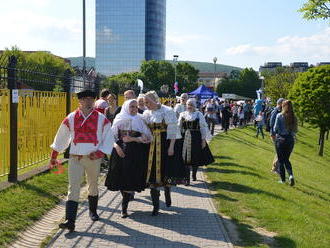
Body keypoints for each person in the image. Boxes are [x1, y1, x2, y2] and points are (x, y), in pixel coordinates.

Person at [50, 89, 114, 232]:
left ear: (94, 100)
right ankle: (70, 221)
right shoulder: (71, 117)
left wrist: (100, 152)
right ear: (80, 101)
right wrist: (54, 155)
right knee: (73, 188)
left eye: (91, 99)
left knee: (92, 185)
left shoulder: (102, 119)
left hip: (93, 158)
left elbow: (108, 137)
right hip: (75, 158)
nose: (88, 102)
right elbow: (62, 136)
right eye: (85, 99)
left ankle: (93, 211)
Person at [105, 99, 151, 218]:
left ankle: (124, 208)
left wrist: (134, 139)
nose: (134, 109)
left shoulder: (141, 119)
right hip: (120, 152)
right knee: (121, 178)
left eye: (136, 107)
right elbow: (111, 137)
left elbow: (147, 138)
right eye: (131, 107)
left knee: (130, 178)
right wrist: (117, 147)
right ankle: (126, 199)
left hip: (135, 153)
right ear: (126, 107)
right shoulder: (119, 118)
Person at [143, 91, 186, 216]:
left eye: (148, 102)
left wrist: (172, 146)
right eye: (145, 102)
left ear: (155, 100)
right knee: (152, 177)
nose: (146, 105)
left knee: (165, 172)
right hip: (150, 147)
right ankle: (155, 206)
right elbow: (145, 130)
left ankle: (167, 191)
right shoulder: (146, 113)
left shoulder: (167, 111)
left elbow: (173, 131)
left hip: (164, 145)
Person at [178, 99, 214, 185]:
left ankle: (194, 174)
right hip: (185, 138)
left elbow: (203, 128)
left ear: (194, 106)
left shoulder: (199, 115)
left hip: (196, 138)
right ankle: (187, 179)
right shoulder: (182, 114)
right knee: (185, 158)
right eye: (188, 104)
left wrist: (203, 140)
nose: (189, 106)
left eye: (191, 105)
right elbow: (178, 127)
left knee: (195, 157)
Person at [273, 100, 298, 186]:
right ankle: (291, 175)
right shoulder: (294, 117)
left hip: (281, 139)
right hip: (290, 140)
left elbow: (275, 128)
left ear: (283, 106)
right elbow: (295, 130)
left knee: (280, 160)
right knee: (286, 159)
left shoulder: (279, 115)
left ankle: (283, 180)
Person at [270, 98, 285, 173]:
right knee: (280, 151)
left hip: (278, 134)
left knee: (280, 151)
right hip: (275, 134)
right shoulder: (275, 111)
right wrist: (274, 134)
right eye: (283, 103)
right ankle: (275, 169)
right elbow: (271, 123)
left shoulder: (279, 111)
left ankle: (276, 168)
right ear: (279, 103)